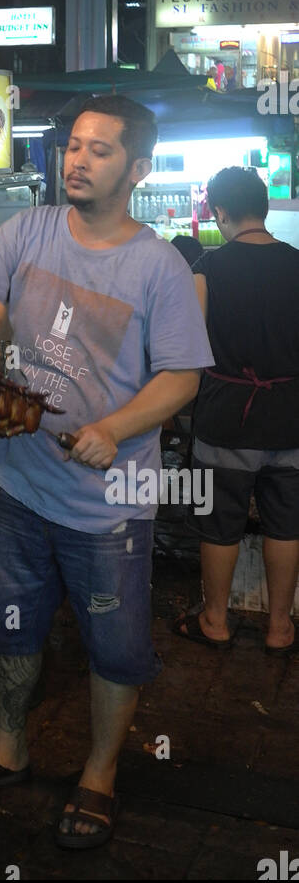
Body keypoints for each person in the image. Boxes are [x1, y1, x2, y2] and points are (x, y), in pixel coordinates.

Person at [0, 94, 213, 848]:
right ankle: (8, 746)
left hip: (107, 506)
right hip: (18, 485)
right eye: (73, 146)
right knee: (7, 628)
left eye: (98, 150)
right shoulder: (28, 229)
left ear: (137, 168)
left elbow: (181, 376)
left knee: (114, 648)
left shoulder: (158, 266)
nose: (77, 160)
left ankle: (98, 774)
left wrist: (112, 429)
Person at [174, 167, 299, 656]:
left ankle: (216, 621)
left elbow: (187, 347)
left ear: (220, 212)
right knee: (286, 524)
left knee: (219, 524)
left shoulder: (206, 267)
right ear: (263, 209)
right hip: (291, 416)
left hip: (225, 419)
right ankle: (280, 629)